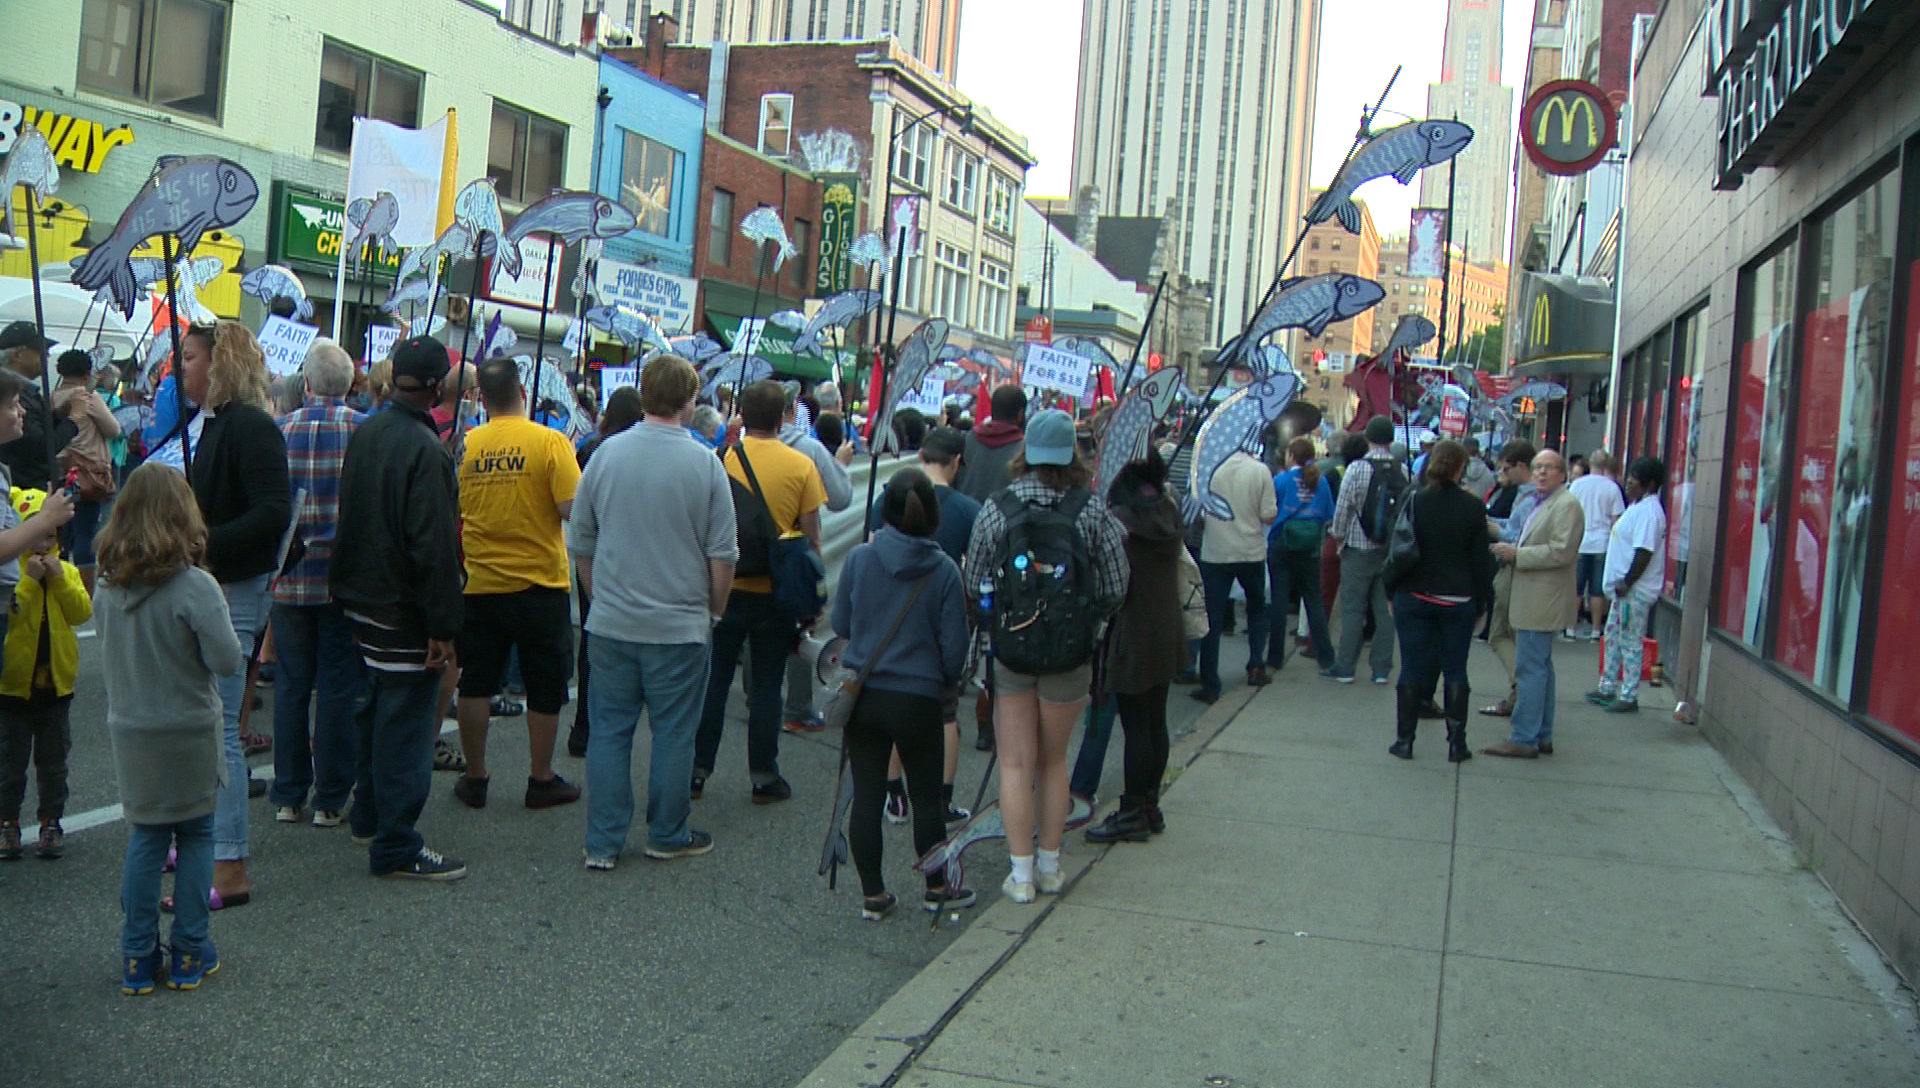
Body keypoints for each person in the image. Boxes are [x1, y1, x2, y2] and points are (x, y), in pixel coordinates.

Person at [576, 357, 736, 868]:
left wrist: (597, 594)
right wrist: (712, 611)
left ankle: (602, 841)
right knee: (673, 733)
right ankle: (666, 833)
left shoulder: (604, 455)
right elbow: (723, 554)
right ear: (689, 402)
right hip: (680, 624)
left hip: (613, 620)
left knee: (609, 731)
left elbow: (580, 539)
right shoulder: (707, 463)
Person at [962, 410, 1128, 903]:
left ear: (1026, 453)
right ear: (1072, 455)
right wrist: (1087, 619)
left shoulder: (997, 508)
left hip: (1012, 650)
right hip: (1072, 653)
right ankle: (1052, 866)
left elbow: (974, 583)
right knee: (1054, 762)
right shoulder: (1092, 509)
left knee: (1015, 763)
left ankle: (1021, 875)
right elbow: (1117, 586)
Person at [95, 464, 245, 994]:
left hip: (132, 730)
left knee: (147, 838)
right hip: (187, 730)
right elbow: (227, 660)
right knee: (198, 834)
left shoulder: (107, 586)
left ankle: (137, 954)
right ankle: (188, 950)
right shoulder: (195, 586)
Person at [330, 337, 468, 880]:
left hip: (362, 595)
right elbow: (433, 544)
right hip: (402, 603)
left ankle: (368, 812)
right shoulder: (425, 449)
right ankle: (396, 842)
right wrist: (443, 624)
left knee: (374, 713)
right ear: (436, 387)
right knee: (405, 727)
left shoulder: (368, 430)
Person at [182, 321, 292, 910]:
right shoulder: (216, 424)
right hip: (214, 583)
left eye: (192, 357)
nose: (183, 368)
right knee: (206, 721)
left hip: (237, 589)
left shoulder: (250, 425)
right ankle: (206, 837)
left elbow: (274, 510)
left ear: (220, 362)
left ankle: (228, 863)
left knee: (222, 726)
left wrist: (203, 544)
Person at [833, 468, 973, 919]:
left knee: (868, 794)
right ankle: (935, 886)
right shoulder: (945, 569)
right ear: (933, 514)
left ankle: (873, 893)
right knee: (927, 797)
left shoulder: (859, 559)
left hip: (867, 692)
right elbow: (955, 650)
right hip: (920, 696)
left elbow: (841, 625)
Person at [448, 358, 583, 811]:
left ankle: (475, 776)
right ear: (522, 393)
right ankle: (540, 777)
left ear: (482, 399)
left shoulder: (466, 445)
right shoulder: (550, 441)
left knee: (476, 683)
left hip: (482, 582)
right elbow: (572, 509)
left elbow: (455, 508)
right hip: (540, 583)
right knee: (545, 686)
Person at [694, 379, 826, 804]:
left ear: (743, 418)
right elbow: (812, 539)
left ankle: (697, 769)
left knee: (714, 680)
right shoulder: (801, 466)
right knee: (769, 684)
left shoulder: (718, 460)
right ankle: (764, 775)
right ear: (783, 417)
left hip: (725, 585)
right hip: (775, 592)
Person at [266, 340, 366, 828]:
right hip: (343, 575)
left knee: (291, 686)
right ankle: (331, 797)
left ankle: (288, 794)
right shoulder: (363, 431)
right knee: (337, 688)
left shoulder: (278, 430)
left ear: (305, 383)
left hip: (289, 576)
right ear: (349, 384)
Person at [873, 426, 980, 824]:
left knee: (895, 703)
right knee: (945, 713)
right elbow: (977, 566)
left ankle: (894, 795)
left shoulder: (890, 495)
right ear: (957, 462)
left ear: (920, 457)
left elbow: (872, 545)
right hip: (941, 615)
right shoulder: (968, 509)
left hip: (889, 616)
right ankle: (940, 799)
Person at [1083, 452, 1186, 844]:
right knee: (1154, 720)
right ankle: (1149, 803)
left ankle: (1131, 811)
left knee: (1136, 725)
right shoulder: (1167, 510)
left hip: (1132, 627)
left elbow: (1108, 583)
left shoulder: (1121, 522)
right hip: (1164, 623)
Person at [1383, 440, 1495, 762]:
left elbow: (1399, 548)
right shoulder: (1473, 508)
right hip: (1457, 598)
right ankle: (1457, 743)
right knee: (1456, 669)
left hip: (1415, 594)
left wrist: (1391, 590)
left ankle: (1405, 740)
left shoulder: (1416, 500)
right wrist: (1482, 603)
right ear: (1461, 468)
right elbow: (1480, 561)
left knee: (1411, 668)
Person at [0, 487, 91, 860]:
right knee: (9, 765)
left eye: (49, 538)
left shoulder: (64, 571)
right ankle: (8, 823)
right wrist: (28, 581)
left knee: (53, 764)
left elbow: (82, 613)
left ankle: (51, 821)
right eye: (34, 536)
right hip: (13, 689)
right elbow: (14, 613)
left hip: (56, 687)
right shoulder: (12, 578)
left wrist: (58, 579)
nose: (40, 547)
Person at [1484, 450, 1583, 759]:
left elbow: (1560, 551)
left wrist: (1517, 555)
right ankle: (1541, 734)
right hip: (1535, 596)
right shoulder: (1544, 503)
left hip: (1543, 598)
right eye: (1539, 467)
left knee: (1531, 669)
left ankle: (1524, 736)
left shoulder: (1566, 505)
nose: (1541, 473)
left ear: (1563, 474)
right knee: (1540, 668)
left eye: (1550, 468)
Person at [566, 386, 645, 760]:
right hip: (626, 552)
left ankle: (584, 725)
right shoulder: (635, 455)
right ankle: (608, 724)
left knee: (591, 637)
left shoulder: (590, 450)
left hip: (592, 551)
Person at [779, 385, 853, 735]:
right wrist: (839, 464)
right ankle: (796, 707)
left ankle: (756, 695)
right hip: (797, 550)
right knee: (799, 625)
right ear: (792, 412)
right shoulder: (809, 450)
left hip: (751, 550)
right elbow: (840, 498)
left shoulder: (739, 449)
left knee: (757, 623)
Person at [1325, 415, 1404, 684]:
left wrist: (1338, 538)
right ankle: (1381, 669)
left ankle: (1345, 666)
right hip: (1390, 552)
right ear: (1391, 440)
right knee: (1384, 612)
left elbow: (1343, 509)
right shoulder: (1402, 471)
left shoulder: (1357, 469)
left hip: (1358, 549)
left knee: (1353, 609)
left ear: (1368, 438)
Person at [1195, 442, 1277, 702]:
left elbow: (1195, 513)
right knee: (1255, 608)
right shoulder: (1260, 470)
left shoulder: (1208, 471)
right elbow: (1268, 514)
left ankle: (1210, 683)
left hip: (1216, 551)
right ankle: (1255, 664)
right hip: (1250, 549)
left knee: (1212, 619)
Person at [1588, 458, 1668, 714]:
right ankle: (1607, 686)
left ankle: (1629, 694)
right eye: (1629, 476)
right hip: (1623, 590)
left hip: (1635, 591)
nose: (1628, 482)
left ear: (1650, 484)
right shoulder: (1637, 506)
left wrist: (1628, 581)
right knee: (1613, 636)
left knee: (1630, 641)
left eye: (1635, 478)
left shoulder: (1650, 513)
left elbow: (1644, 552)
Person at [51, 348, 122, 594]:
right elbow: (114, 429)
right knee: (85, 531)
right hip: (87, 474)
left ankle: (60, 584)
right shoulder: (87, 397)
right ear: (86, 373)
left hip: (60, 473)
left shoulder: (52, 398)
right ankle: (85, 590)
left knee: (62, 531)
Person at [1478, 440, 1538, 717]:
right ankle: (1519, 693)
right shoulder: (1526, 496)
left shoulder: (1528, 498)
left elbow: (1516, 537)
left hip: (1513, 568)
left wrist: (1493, 529)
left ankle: (1521, 688)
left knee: (1501, 634)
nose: (1505, 473)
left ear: (1520, 466)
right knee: (1508, 635)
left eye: (1507, 468)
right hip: (1515, 569)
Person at [1266, 437, 1336, 673]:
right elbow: (1328, 514)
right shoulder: (1321, 482)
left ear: (1291, 456)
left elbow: (1270, 509)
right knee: (1313, 599)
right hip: (1310, 545)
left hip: (1282, 542)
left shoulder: (1282, 480)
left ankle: (1275, 657)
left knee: (1279, 600)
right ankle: (1325, 655)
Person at [1569, 450, 1626, 641]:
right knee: (1596, 590)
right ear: (1606, 465)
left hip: (1579, 542)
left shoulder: (1577, 485)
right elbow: (1618, 520)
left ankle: (1571, 628)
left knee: (1576, 588)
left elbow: (1568, 512)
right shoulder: (1612, 488)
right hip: (1602, 543)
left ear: (1590, 464)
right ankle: (1595, 630)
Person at [0, 321, 63, 491]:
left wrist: (58, 416)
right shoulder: (9, 391)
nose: (47, 356)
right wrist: (74, 420)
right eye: (40, 351)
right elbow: (40, 447)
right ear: (18, 354)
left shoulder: (27, 391)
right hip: (24, 489)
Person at [952, 384, 1026, 503]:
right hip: (1002, 517)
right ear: (1020, 414)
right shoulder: (1024, 449)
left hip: (965, 513)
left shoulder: (969, 438)